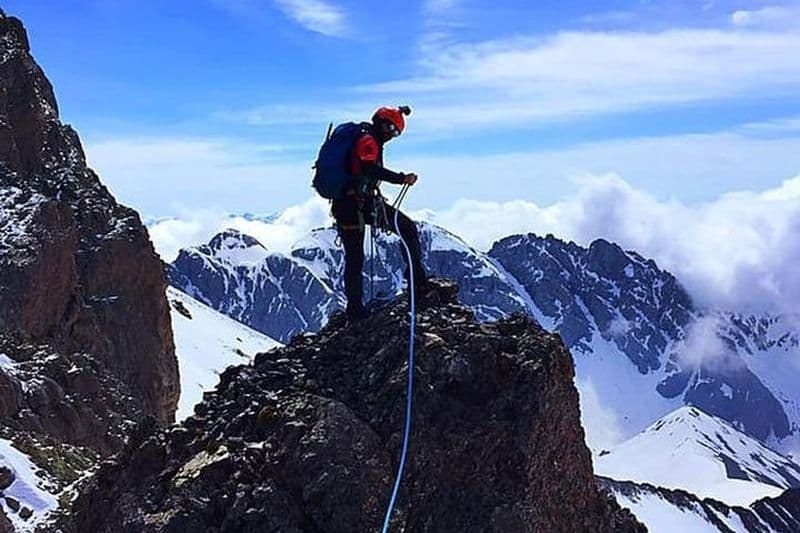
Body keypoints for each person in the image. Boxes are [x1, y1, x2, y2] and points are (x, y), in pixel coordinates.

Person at [331, 106, 428, 321]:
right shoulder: (369, 140)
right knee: (407, 229)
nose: (393, 137)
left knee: (354, 258)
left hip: (351, 204)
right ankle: (417, 283)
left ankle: (355, 310)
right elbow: (369, 169)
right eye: (394, 131)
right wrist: (401, 178)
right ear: (385, 124)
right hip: (358, 203)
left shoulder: (365, 137)